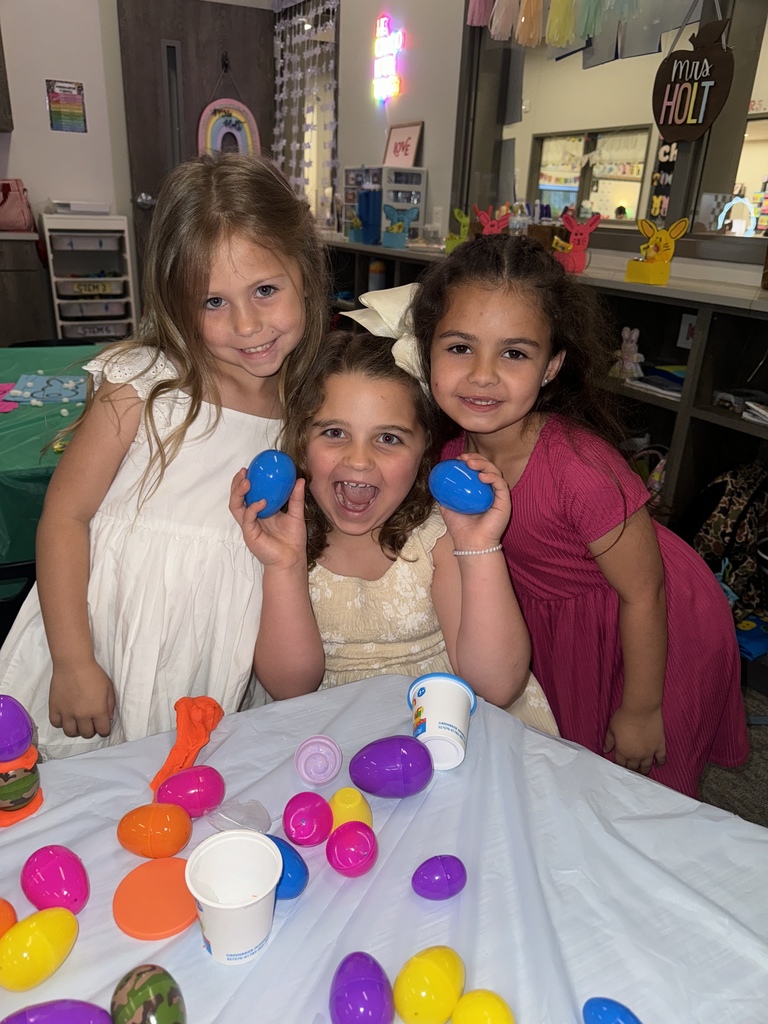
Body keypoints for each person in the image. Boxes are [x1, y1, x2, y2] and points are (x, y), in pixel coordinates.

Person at [0, 153, 329, 758]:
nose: (248, 324)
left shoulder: (304, 409)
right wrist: (73, 661)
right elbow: (64, 517)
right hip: (106, 638)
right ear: (178, 302)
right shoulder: (146, 387)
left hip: (207, 655)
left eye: (264, 290)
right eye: (213, 303)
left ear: (303, 272)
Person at [403, 233, 748, 798]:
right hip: (558, 619)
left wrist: (642, 708)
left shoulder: (580, 471)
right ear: (429, 350)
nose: (483, 374)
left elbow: (645, 593)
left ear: (550, 366)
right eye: (460, 347)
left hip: (649, 618)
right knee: (566, 770)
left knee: (642, 781)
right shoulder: (452, 453)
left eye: (514, 352)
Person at [229, 330, 559, 733]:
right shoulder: (283, 540)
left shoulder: (438, 538)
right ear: (299, 440)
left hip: (446, 735)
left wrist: (479, 547)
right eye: (334, 432)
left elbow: (498, 687)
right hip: (331, 742)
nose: (359, 459)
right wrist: (285, 565)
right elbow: (290, 688)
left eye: (388, 438)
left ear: (425, 450)